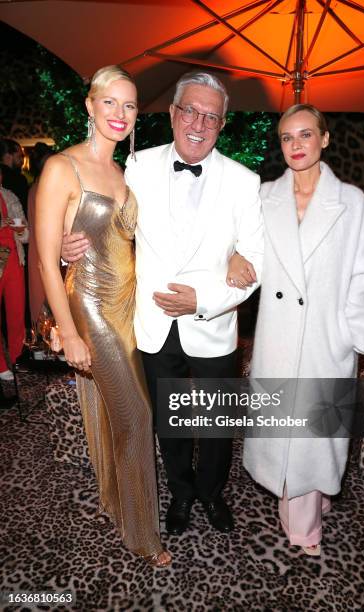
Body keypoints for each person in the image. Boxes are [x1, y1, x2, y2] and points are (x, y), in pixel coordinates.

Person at [62, 71, 264, 536]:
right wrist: (65, 246)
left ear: (223, 124)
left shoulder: (243, 180)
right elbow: (101, 218)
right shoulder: (136, 166)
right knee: (169, 423)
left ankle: (212, 493)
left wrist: (205, 298)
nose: (199, 123)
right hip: (151, 325)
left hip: (213, 326)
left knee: (215, 427)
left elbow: (256, 260)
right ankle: (181, 492)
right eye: (190, 110)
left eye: (211, 116)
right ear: (172, 114)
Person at [228, 104, 364, 556]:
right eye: (287, 137)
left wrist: (349, 337)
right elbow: (245, 251)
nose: (296, 145)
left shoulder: (351, 202)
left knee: (314, 438)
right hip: (277, 338)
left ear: (325, 139)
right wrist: (235, 256)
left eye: (306, 135)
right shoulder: (264, 198)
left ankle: (306, 522)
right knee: (288, 433)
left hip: (324, 341)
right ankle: (307, 504)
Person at [35, 65, 171, 567]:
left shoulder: (125, 174)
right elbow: (48, 258)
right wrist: (68, 331)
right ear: (90, 106)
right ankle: (143, 535)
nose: (120, 113)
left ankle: (120, 503)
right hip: (90, 305)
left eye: (130, 105)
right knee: (138, 415)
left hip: (129, 307)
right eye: (110, 102)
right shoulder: (61, 168)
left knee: (123, 414)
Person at [0, 164, 28, 381]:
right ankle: (1, 365)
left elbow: (25, 234)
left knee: (17, 312)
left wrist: (22, 230)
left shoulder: (9, 196)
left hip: (14, 258)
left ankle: (18, 356)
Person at [27, 143, 55, 325]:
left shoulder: (34, 187)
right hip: (49, 248)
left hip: (37, 247)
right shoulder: (47, 189)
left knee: (40, 294)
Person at [0, 139, 29, 213]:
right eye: (19, 157)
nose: (22, 161)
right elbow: (24, 208)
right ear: (8, 156)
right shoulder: (19, 179)